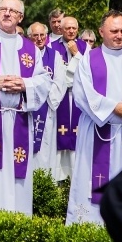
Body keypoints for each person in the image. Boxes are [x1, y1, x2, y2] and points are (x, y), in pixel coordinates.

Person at [66, 10, 122, 225]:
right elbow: (82, 95)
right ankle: (88, 227)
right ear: (101, 31)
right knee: (92, 182)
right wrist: (114, 107)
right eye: (114, 31)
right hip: (98, 134)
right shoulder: (88, 59)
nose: (119, 35)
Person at [0, 0, 52, 215]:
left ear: (20, 17)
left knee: (17, 184)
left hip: (19, 120)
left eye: (12, 11)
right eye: (2, 9)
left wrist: (25, 84)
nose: (6, 13)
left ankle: (17, 223)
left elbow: (44, 81)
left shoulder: (31, 49)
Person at [48, 16, 89, 181]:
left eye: (74, 28)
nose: (71, 31)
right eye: (68, 28)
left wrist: (76, 54)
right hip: (60, 96)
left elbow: (88, 71)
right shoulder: (52, 47)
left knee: (77, 134)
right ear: (61, 29)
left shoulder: (85, 47)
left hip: (77, 96)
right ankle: (57, 177)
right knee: (58, 133)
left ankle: (75, 176)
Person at [27, 22, 65, 174]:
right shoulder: (25, 54)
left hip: (47, 109)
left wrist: (47, 98)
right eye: (35, 35)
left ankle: (44, 180)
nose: (39, 38)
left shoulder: (54, 56)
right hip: (29, 107)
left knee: (45, 146)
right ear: (29, 37)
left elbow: (60, 81)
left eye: (42, 35)